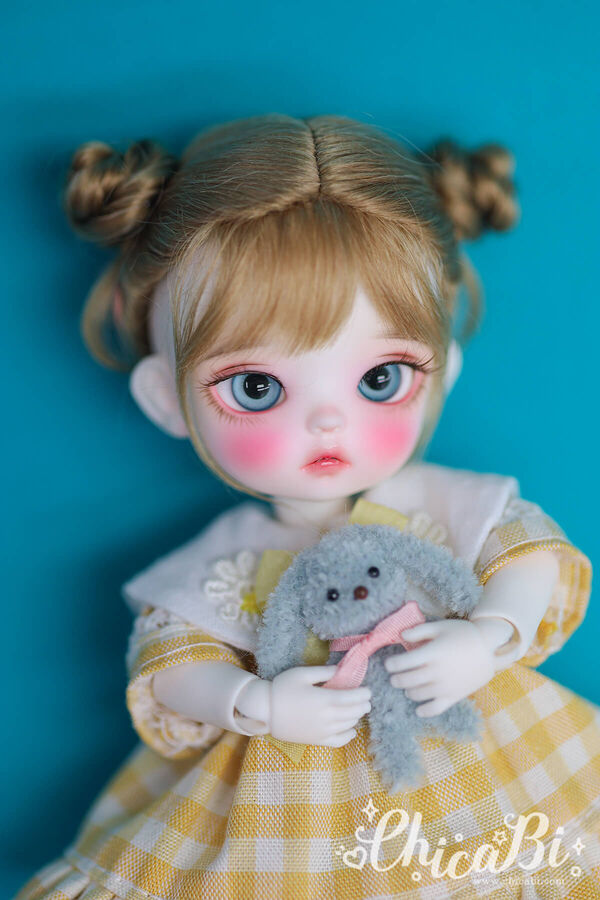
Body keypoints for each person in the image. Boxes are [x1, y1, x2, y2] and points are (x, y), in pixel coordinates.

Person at [16, 114, 599, 899]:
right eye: (257, 387)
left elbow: (527, 559)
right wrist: (252, 701)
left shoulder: (444, 503)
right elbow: (176, 667)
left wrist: (490, 636)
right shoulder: (226, 560)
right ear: (166, 400)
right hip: (289, 821)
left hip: (483, 772)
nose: (327, 422)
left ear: (444, 369)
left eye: (380, 379)